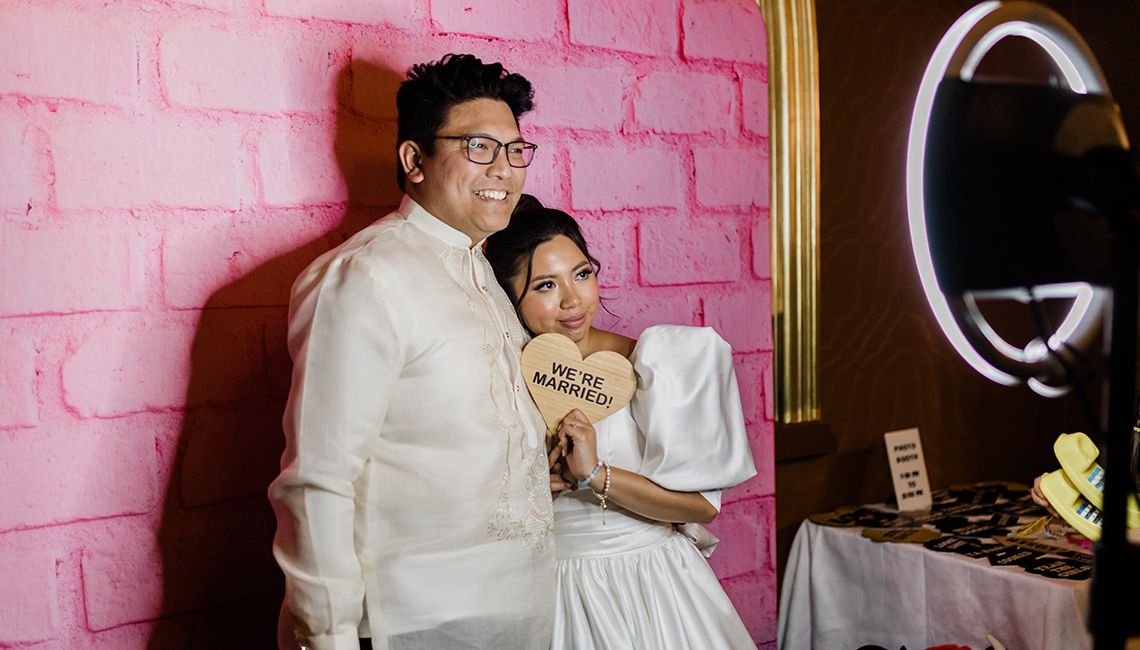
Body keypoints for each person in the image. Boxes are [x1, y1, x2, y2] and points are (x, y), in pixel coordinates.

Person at [267, 55, 554, 650]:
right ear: (414, 160)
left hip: (516, 618)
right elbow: (318, 480)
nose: (504, 169)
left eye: (514, 149)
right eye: (478, 147)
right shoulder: (366, 277)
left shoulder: (483, 271)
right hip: (407, 625)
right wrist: (328, 637)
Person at [485, 198, 760, 649]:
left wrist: (593, 475)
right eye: (545, 285)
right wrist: (531, 486)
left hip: (654, 586)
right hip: (549, 591)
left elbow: (700, 507)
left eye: (582, 274)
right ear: (507, 295)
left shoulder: (654, 364)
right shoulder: (498, 381)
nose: (573, 299)